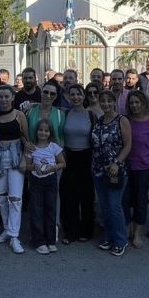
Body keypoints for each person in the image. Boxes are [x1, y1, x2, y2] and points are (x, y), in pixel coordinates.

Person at [91, 90, 131, 257]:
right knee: (105, 206)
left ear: (114, 102)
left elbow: (128, 145)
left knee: (115, 206)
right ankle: (109, 236)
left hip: (115, 170)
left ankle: (121, 240)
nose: (106, 104)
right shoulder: (99, 121)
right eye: (103, 101)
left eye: (109, 101)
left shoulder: (122, 120)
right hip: (98, 170)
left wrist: (117, 162)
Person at [0, 86, 29, 254]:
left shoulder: (20, 115)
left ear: (13, 98)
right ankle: (7, 229)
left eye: (7, 96)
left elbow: (26, 139)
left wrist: (24, 159)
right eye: (1, 96)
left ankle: (14, 236)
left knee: (15, 198)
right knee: (1, 196)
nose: (4, 99)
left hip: (16, 158)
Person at [124, 90, 149, 248]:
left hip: (144, 168)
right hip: (126, 167)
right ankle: (127, 229)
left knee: (140, 202)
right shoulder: (126, 121)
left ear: (144, 103)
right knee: (125, 201)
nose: (134, 105)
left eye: (137, 102)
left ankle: (137, 233)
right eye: (131, 103)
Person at [60, 84, 96, 243]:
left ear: (84, 96)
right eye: (72, 94)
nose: (75, 97)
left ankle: (86, 230)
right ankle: (70, 232)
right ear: (68, 96)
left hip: (86, 156)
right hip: (70, 157)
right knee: (69, 195)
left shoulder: (91, 115)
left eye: (79, 94)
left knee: (86, 196)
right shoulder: (66, 113)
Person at [28, 119, 65, 254]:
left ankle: (50, 240)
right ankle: (39, 241)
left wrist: (52, 168)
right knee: (37, 210)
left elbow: (63, 163)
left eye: (46, 130)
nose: (43, 133)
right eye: (40, 130)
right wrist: (33, 166)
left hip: (50, 180)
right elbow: (25, 165)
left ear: (50, 133)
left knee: (51, 209)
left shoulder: (54, 147)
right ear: (36, 131)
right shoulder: (32, 147)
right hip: (36, 180)